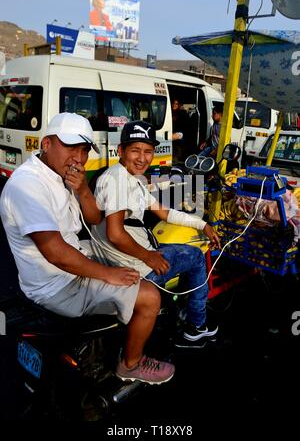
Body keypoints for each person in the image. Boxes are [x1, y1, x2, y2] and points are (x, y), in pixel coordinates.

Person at [0, 112, 174, 385]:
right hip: (55, 283)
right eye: (70, 146)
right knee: (151, 295)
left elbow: (93, 219)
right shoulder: (27, 185)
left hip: (70, 257)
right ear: (46, 144)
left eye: (83, 150)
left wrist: (81, 190)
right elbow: (55, 251)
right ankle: (131, 364)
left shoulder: (59, 174)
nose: (78, 158)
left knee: (124, 259)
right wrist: (107, 274)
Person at [92, 120, 221, 349]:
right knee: (196, 257)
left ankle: (177, 309)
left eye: (148, 151)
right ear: (121, 150)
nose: (142, 158)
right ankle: (196, 326)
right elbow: (115, 233)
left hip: (129, 258)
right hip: (137, 267)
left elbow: (164, 212)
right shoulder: (117, 180)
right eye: (135, 151)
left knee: (174, 249)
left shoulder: (131, 180)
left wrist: (202, 225)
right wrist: (148, 257)